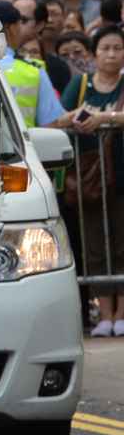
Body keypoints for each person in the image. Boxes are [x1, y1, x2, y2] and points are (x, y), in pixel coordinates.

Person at [52, 25, 124, 337]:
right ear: (93, 55)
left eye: (117, 48)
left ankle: (122, 312)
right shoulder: (81, 84)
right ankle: (105, 315)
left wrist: (105, 118)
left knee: (122, 246)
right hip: (89, 180)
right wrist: (81, 116)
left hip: (122, 176)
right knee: (95, 248)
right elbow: (59, 118)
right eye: (105, 48)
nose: (111, 54)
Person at [0, 0, 64, 127]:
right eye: (20, 23)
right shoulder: (33, 71)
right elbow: (50, 128)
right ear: (12, 29)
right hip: (22, 146)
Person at [13, 0, 74, 91]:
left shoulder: (57, 68)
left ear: (40, 25)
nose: (13, 26)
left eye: (22, 21)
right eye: (11, 20)